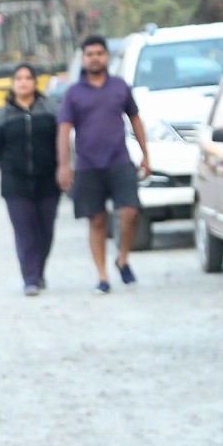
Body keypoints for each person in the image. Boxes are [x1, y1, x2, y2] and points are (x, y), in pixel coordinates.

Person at [57, 34, 150, 291]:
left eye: (99, 53)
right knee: (96, 220)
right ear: (83, 59)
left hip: (119, 160)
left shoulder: (120, 86)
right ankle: (102, 276)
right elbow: (64, 129)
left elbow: (136, 120)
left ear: (107, 56)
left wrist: (145, 154)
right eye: (89, 54)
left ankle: (122, 259)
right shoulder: (74, 94)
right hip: (88, 165)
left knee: (130, 212)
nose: (94, 58)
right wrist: (64, 165)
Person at [0, 63, 59, 296]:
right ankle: (30, 278)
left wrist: (66, 169)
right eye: (19, 78)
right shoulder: (3, 116)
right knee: (25, 231)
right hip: (15, 183)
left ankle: (39, 270)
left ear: (35, 82)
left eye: (28, 78)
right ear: (13, 84)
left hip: (47, 180)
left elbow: (62, 143)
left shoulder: (50, 109)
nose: (23, 82)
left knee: (45, 230)